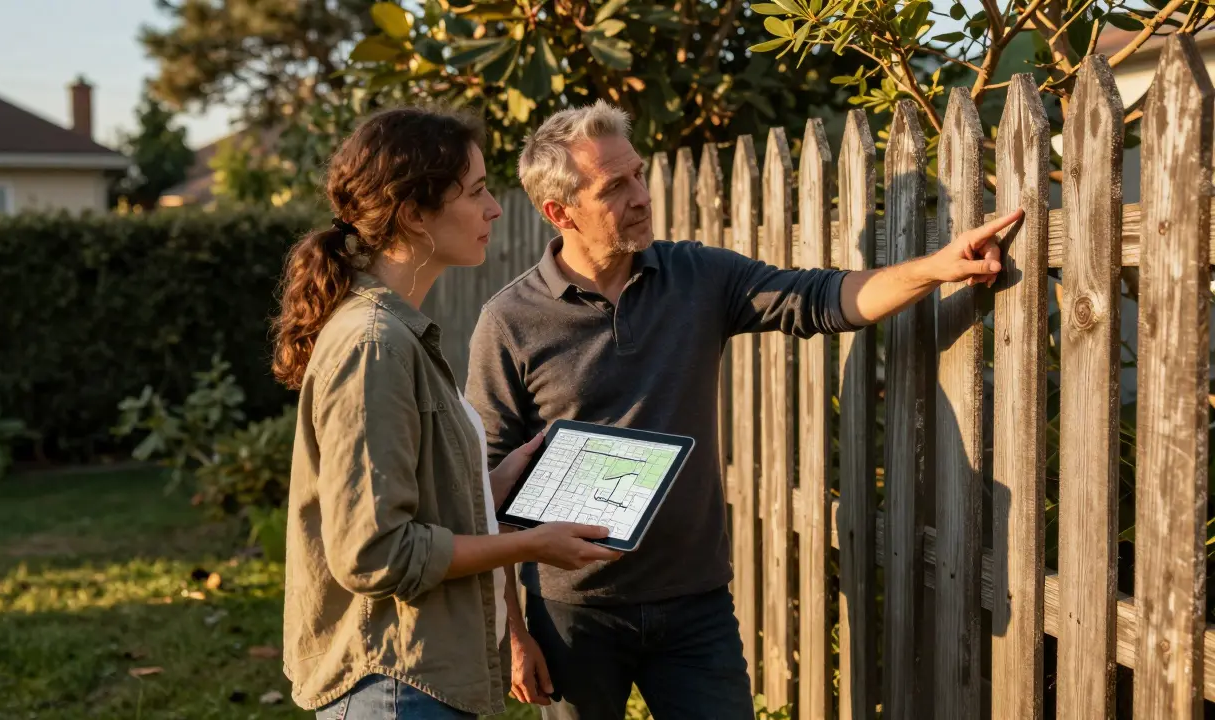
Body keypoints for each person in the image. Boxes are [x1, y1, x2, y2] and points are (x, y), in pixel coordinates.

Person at [465, 100, 1023, 720]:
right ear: (558, 211)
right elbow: (482, 495)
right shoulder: (509, 323)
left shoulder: (696, 276)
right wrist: (513, 633)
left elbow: (821, 298)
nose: (641, 196)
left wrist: (939, 267)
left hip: (694, 605)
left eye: (639, 174)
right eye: (614, 186)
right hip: (572, 615)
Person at [272, 106, 622, 720]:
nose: (494, 209)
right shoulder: (374, 344)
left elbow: (401, 507)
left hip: (415, 679)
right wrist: (530, 545)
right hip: (394, 685)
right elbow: (374, 553)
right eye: (477, 192)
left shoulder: (396, 333)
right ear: (413, 214)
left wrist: (493, 485)